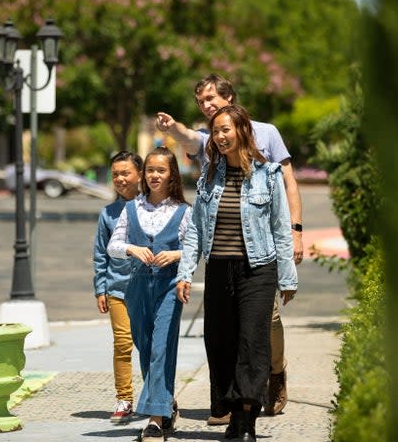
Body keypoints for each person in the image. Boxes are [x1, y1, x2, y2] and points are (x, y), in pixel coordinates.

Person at [156, 74, 302, 422]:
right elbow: (196, 225)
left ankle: (268, 381)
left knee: (259, 331)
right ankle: (227, 406)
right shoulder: (208, 154)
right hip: (222, 261)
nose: (206, 106)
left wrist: (295, 236)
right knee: (221, 337)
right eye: (201, 102)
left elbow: (287, 190)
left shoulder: (267, 141)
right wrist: (173, 127)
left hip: (259, 258)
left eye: (210, 98)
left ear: (230, 98)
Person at [107, 146, 192, 442]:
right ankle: (166, 405)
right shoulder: (132, 208)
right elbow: (113, 247)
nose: (154, 175)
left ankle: (154, 421)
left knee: (161, 348)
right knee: (145, 348)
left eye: (161, 170)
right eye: (150, 170)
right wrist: (131, 248)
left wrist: (177, 255)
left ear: (172, 176)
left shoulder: (183, 211)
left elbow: (196, 249)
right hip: (138, 286)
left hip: (170, 285)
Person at [92, 150, 143, 424]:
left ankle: (158, 396)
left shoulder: (152, 208)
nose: (121, 179)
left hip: (148, 289)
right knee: (123, 344)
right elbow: (101, 253)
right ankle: (124, 399)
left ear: (140, 174)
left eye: (126, 173)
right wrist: (101, 288)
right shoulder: (108, 213)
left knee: (149, 345)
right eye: (116, 175)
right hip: (117, 290)